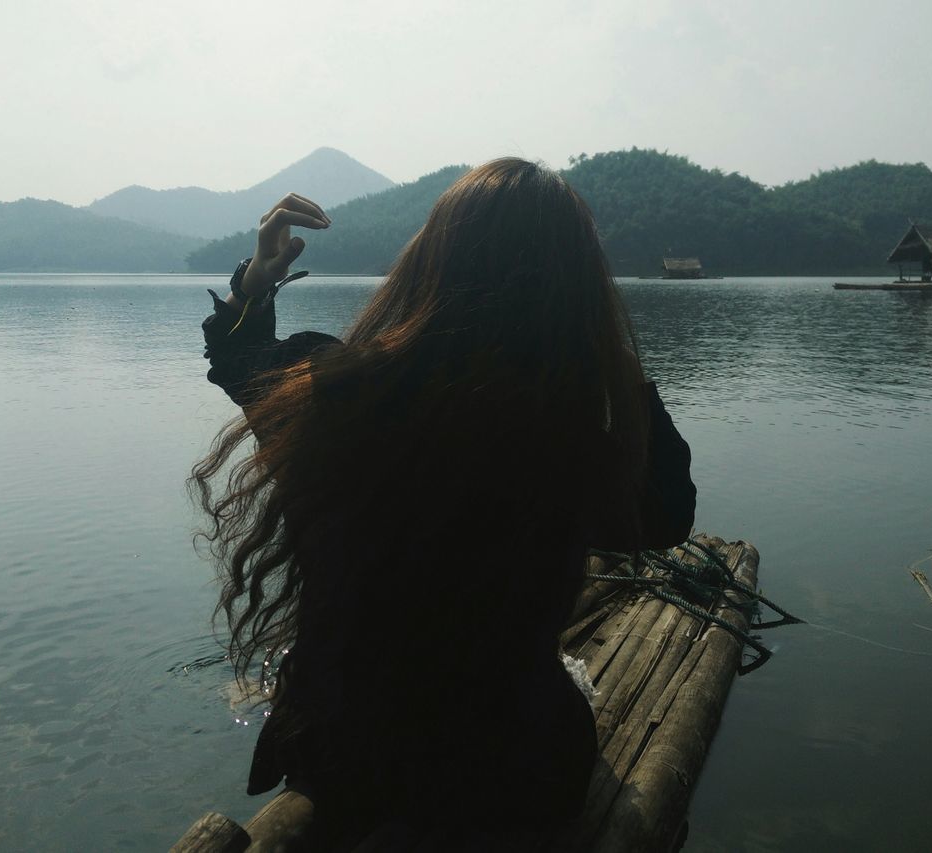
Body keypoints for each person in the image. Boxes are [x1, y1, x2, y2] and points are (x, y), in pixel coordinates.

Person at [192, 158, 696, 849]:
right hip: (514, 777)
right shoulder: (570, 442)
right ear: (574, 288)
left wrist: (259, 277)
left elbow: (241, 360)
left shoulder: (332, 393)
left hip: (342, 756)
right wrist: (614, 361)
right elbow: (670, 513)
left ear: (428, 261)